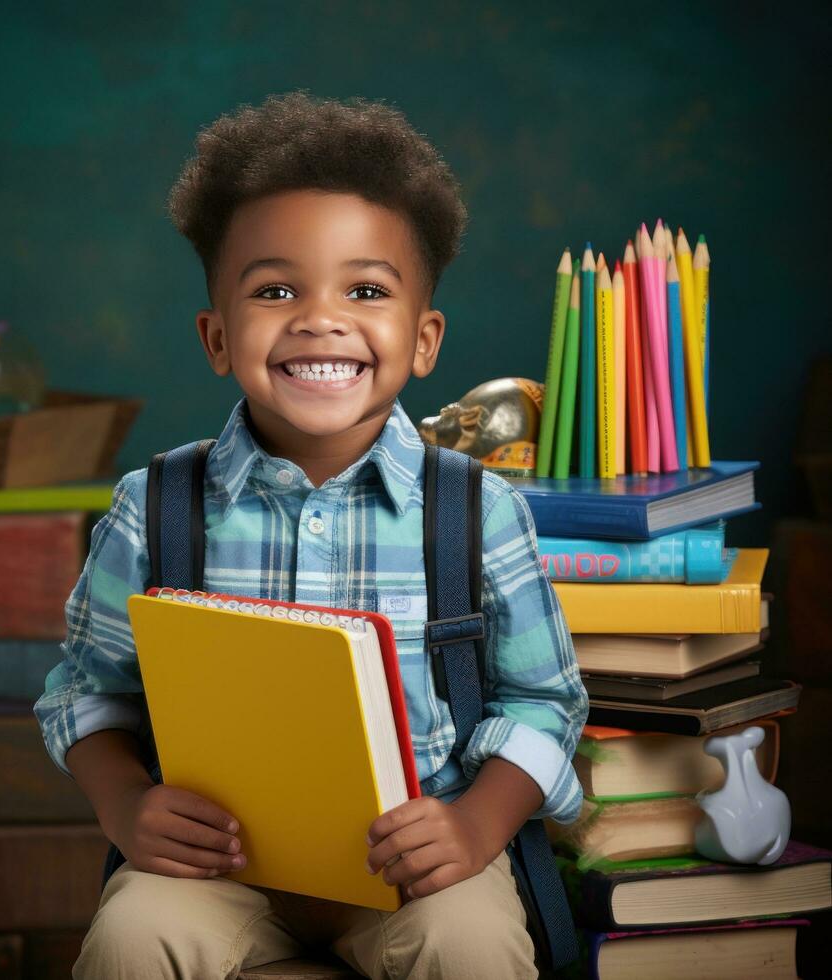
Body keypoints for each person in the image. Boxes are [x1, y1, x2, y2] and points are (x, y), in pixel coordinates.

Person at [34, 90, 588, 980]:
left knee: (474, 948)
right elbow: (86, 691)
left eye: (366, 290)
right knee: (134, 939)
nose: (320, 318)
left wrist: (476, 826)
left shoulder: (478, 512)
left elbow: (546, 702)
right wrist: (127, 806)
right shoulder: (156, 507)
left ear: (424, 339)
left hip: (418, 864)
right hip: (217, 868)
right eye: (275, 289)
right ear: (218, 336)